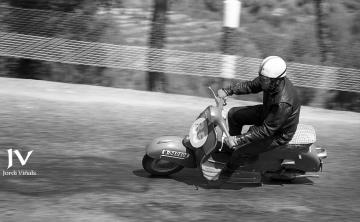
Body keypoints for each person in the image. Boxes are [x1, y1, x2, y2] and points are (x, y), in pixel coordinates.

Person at [217, 56, 301, 180]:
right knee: (233, 114)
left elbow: (267, 130)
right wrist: (228, 91)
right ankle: (232, 150)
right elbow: (251, 85)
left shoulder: (283, 103)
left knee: (242, 150)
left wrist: (239, 139)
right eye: (262, 78)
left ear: (277, 80)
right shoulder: (269, 81)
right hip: (269, 113)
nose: (262, 82)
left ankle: (225, 175)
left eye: (265, 80)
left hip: (278, 133)